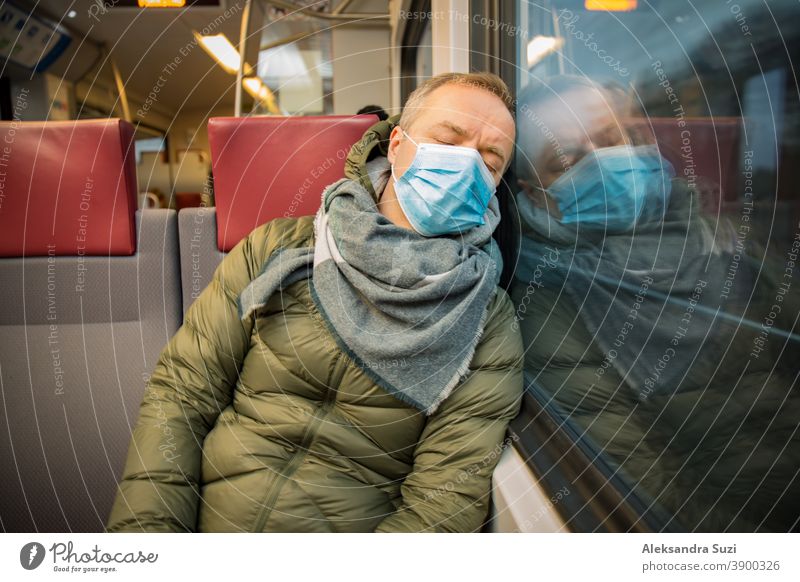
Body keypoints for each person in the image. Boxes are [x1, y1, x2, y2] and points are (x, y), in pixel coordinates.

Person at [106, 72, 522, 533]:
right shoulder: (279, 247)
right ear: (398, 144)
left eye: (490, 161)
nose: (467, 166)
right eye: (449, 140)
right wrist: (148, 541)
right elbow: (182, 394)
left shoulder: (486, 318)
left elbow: (442, 501)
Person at [512, 75, 800, 531]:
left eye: (610, 140)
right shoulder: (548, 303)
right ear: (534, 191)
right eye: (567, 159)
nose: (603, 163)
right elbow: (654, 501)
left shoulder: (722, 242)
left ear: (636, 141)